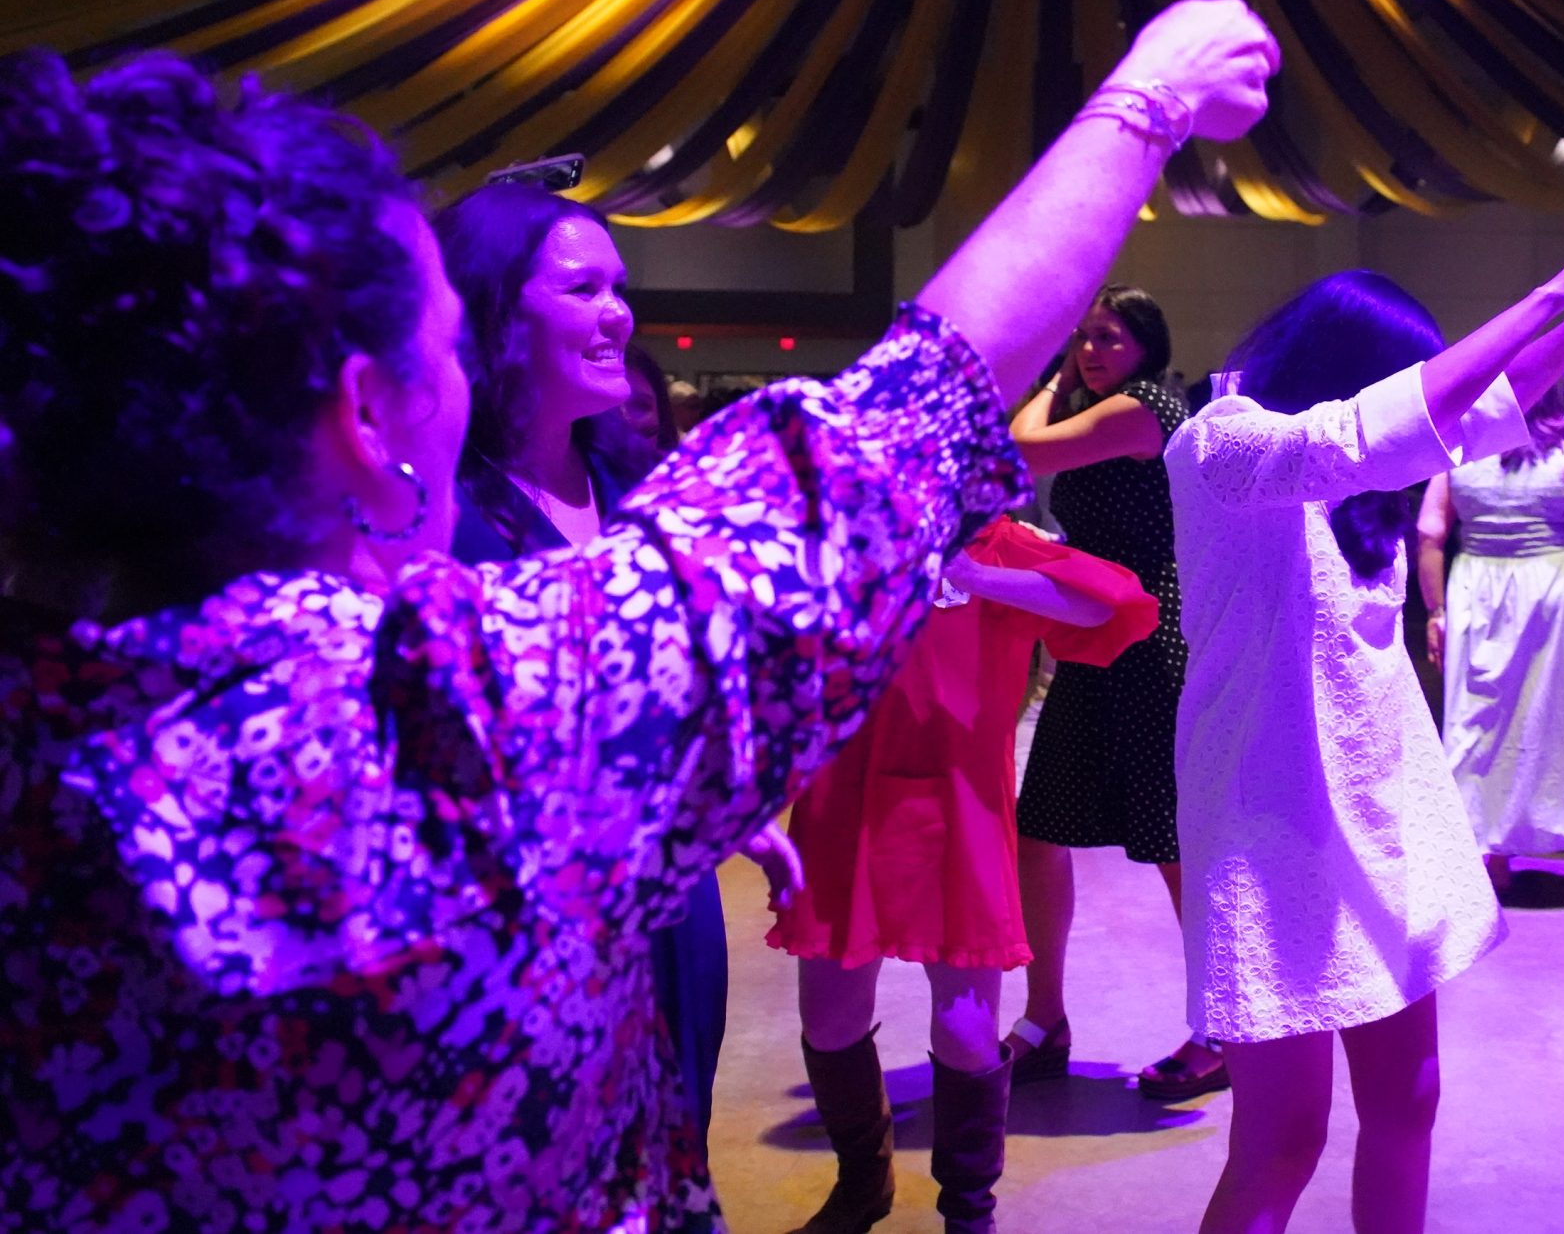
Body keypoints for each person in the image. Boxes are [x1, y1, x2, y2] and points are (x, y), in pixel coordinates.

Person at [0, 0, 1277, 1231]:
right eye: (446, 348)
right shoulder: (461, 717)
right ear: (365, 415)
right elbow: (902, 419)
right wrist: (1146, 100)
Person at [1168, 237, 1564, 1234]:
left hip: (1382, 821)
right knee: (1282, 1139)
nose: (1435, 417)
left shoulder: (1358, 492)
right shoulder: (1220, 443)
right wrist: (1563, 282)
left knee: (1408, 1100)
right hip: (1269, 824)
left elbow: (1494, 405)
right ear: (1349, 369)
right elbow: (1372, 431)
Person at [434, 181, 787, 1156]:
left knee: (674, 1155)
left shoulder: (634, 487)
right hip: (530, 931)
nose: (618, 314)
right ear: (496, 308)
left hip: (671, 907)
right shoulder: (443, 511)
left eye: (619, 287)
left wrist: (731, 808)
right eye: (583, 288)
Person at [771, 517, 1157, 1234]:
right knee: (828, 1020)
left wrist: (974, 575)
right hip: (841, 803)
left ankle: (969, 1213)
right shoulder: (829, 538)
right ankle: (862, 1184)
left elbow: (1112, 602)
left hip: (959, 814)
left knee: (967, 1031)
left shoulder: (991, 543)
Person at [1005, 285, 1221, 1097]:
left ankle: (1219, 1029)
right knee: (1039, 827)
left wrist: (1054, 380)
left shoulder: (1144, 408)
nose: (1091, 350)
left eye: (1109, 337)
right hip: (1094, 633)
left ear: (1146, 347)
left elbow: (1023, 449)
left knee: (1171, 843)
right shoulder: (1100, 409)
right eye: (1083, 337)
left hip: (1149, 635)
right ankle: (1045, 1019)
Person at [1418, 383, 1564, 897]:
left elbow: (1429, 533)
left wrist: (1437, 610)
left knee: (1479, 727)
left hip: (1476, 597)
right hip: (1551, 596)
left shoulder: (1458, 455)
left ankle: (1486, 859)